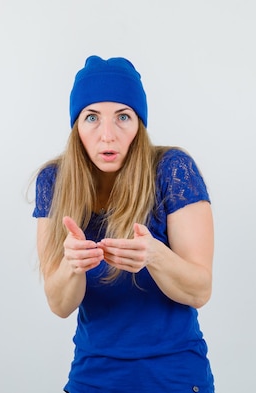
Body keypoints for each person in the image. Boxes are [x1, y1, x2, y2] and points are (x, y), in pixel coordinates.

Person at [33, 55, 215, 393]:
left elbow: (200, 290)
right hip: (93, 377)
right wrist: (72, 266)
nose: (107, 135)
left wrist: (155, 256)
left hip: (173, 376)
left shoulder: (172, 170)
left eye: (122, 117)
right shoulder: (53, 181)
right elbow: (59, 305)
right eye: (91, 118)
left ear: (139, 123)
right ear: (76, 126)